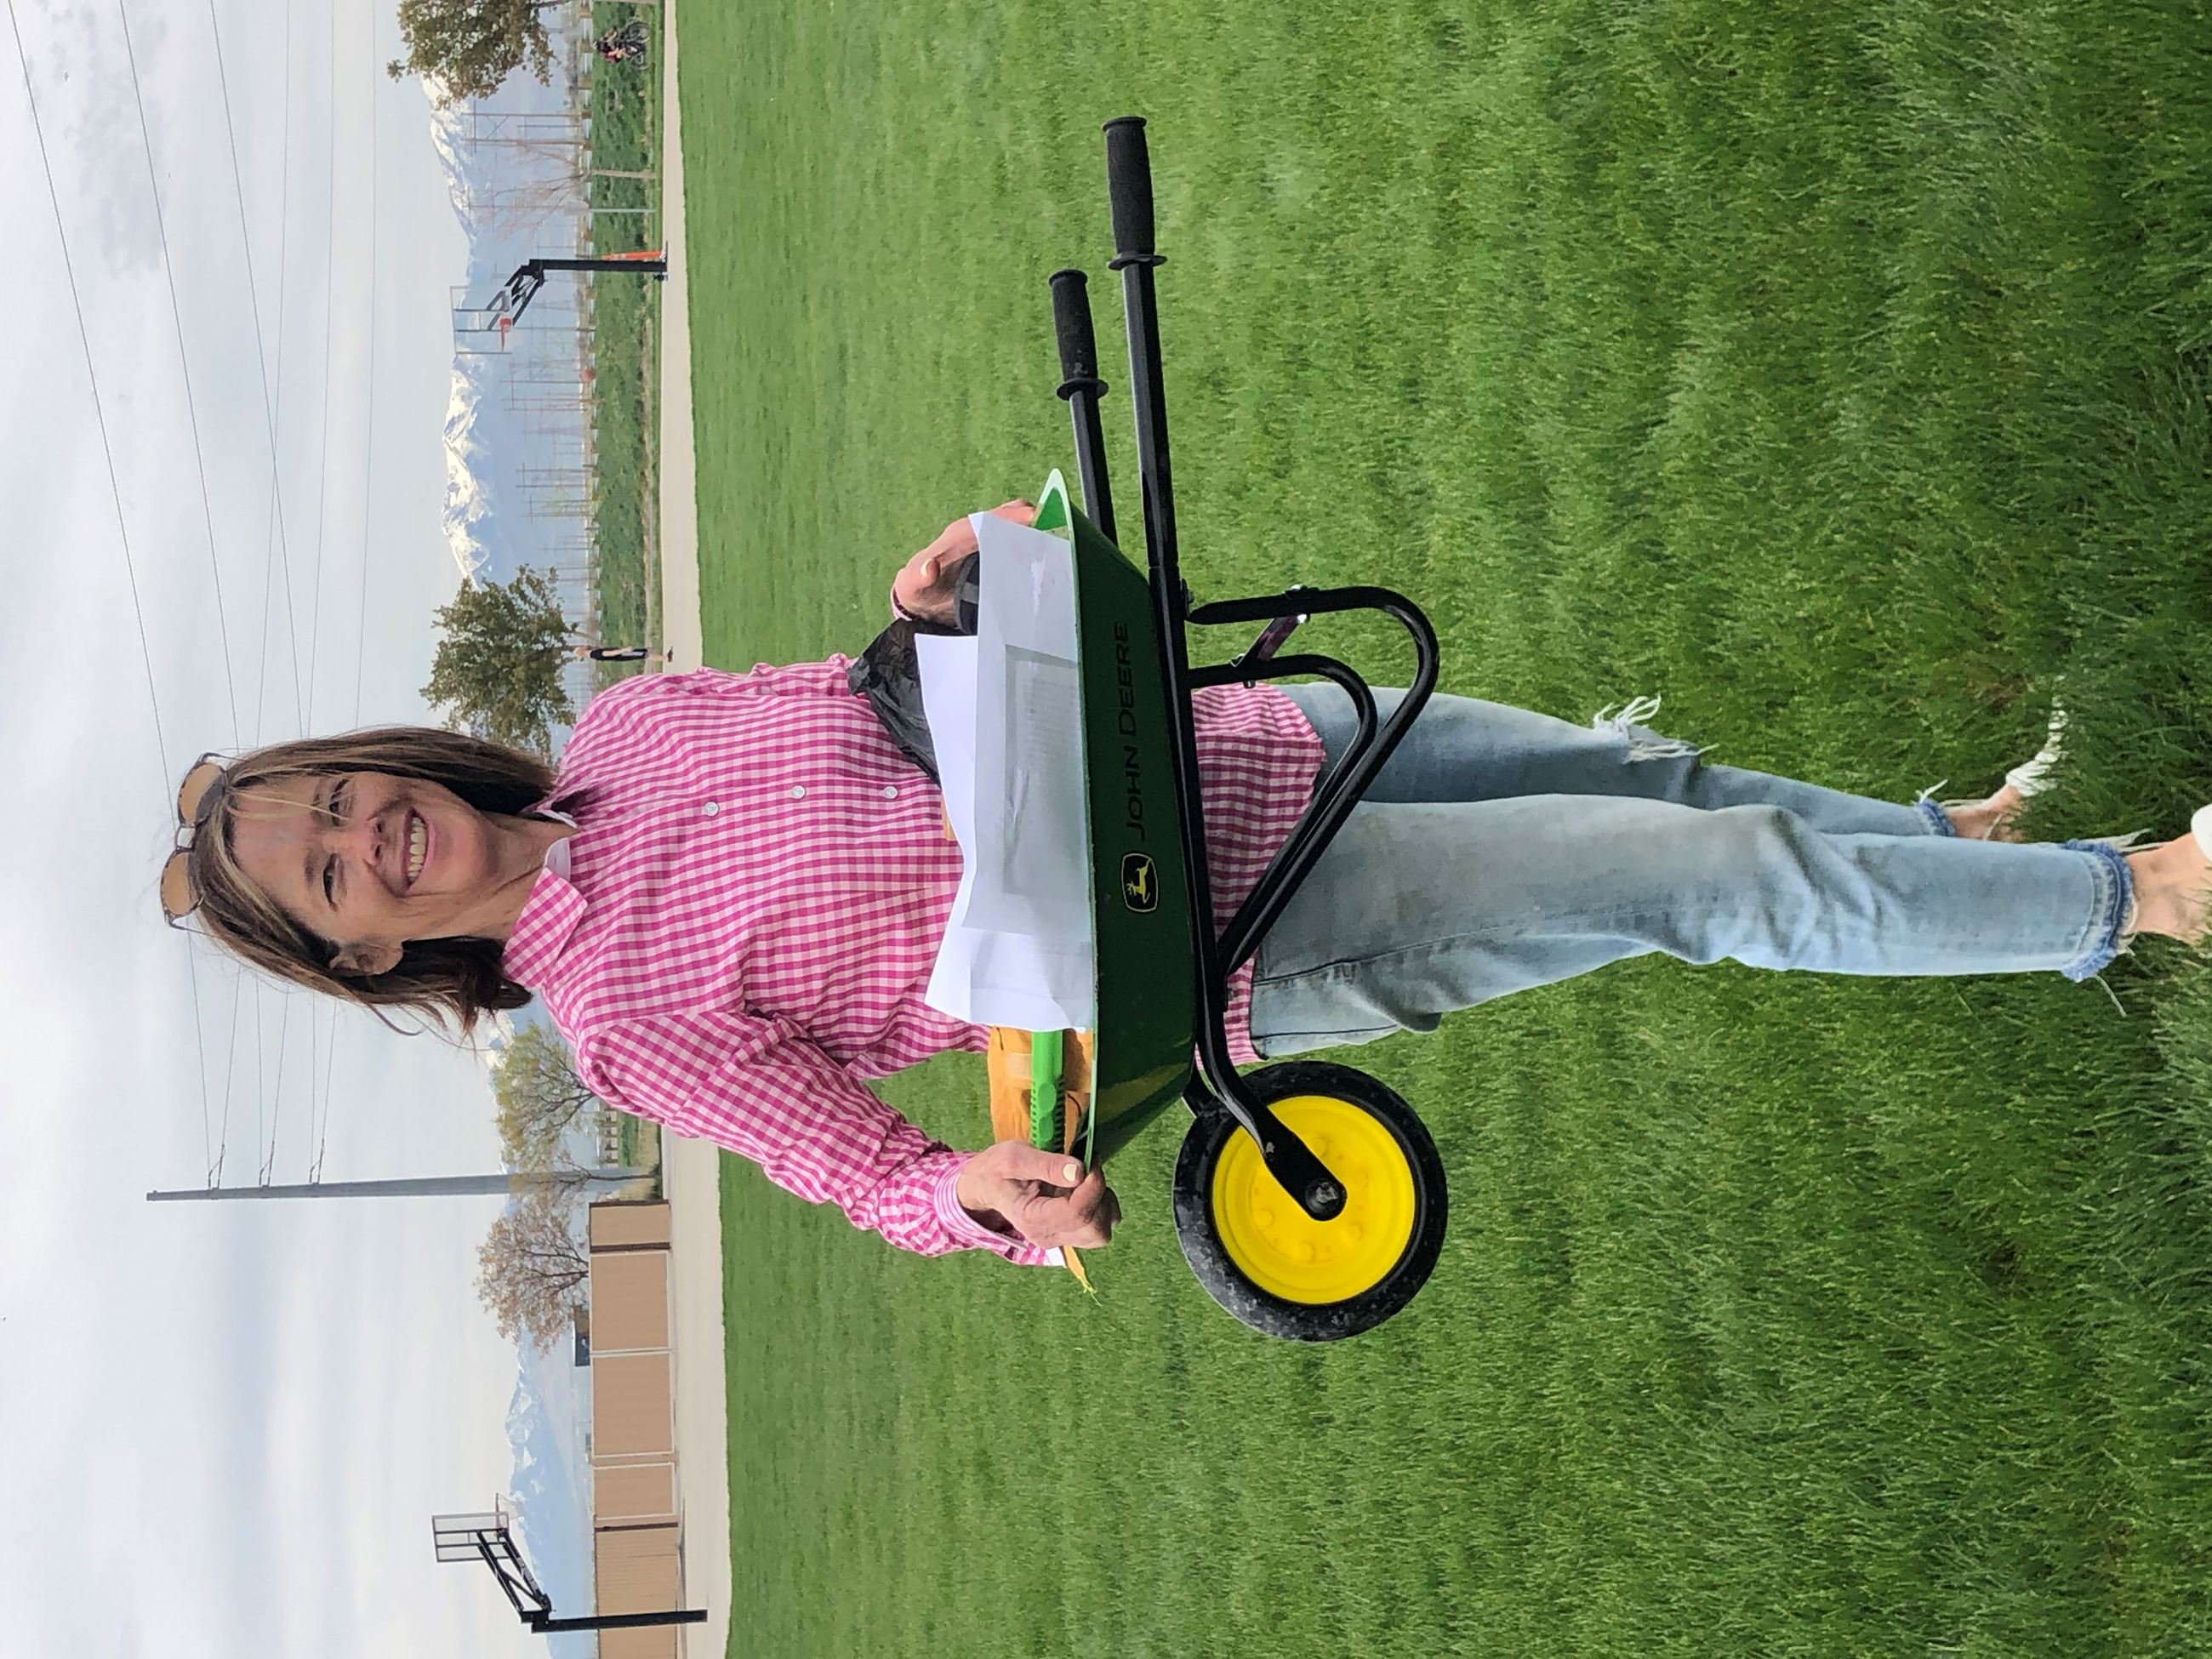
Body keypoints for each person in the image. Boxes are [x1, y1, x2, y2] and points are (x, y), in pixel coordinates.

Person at [158, 501, 2212, 1264]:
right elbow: (855, 1165)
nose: (363, 834)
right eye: (327, 871)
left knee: (1646, 779)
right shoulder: (617, 1014)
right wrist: (948, 1193)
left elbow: (889, 702)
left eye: (335, 795)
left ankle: (1947, 853)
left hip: (1233, 746)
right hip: (1233, 933)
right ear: (364, 946)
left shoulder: (633, 731)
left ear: (375, 759)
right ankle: (2152, 897)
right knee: (1693, 876)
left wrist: (925, 606)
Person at [573, 643, 653, 663]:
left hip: (620, 654)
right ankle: (664, 658)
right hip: (621, 654)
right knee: (642, 654)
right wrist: (624, 650)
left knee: (641, 652)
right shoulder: (594, 654)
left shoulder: (592, 653)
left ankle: (661, 655)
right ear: (582, 651)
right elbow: (610, 653)